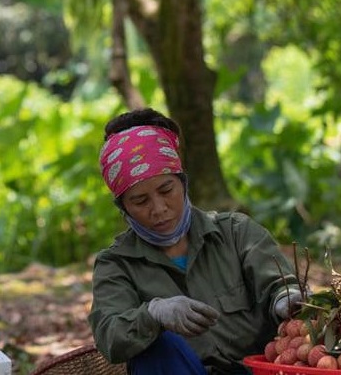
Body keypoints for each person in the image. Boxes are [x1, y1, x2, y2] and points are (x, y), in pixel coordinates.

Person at [88, 108, 303, 375]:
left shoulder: (236, 233)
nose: (159, 209)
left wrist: (288, 299)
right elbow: (109, 337)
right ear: (123, 208)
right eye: (140, 201)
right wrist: (153, 315)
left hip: (254, 370)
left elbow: (277, 283)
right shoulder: (116, 265)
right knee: (158, 348)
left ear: (183, 183)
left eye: (166, 190)